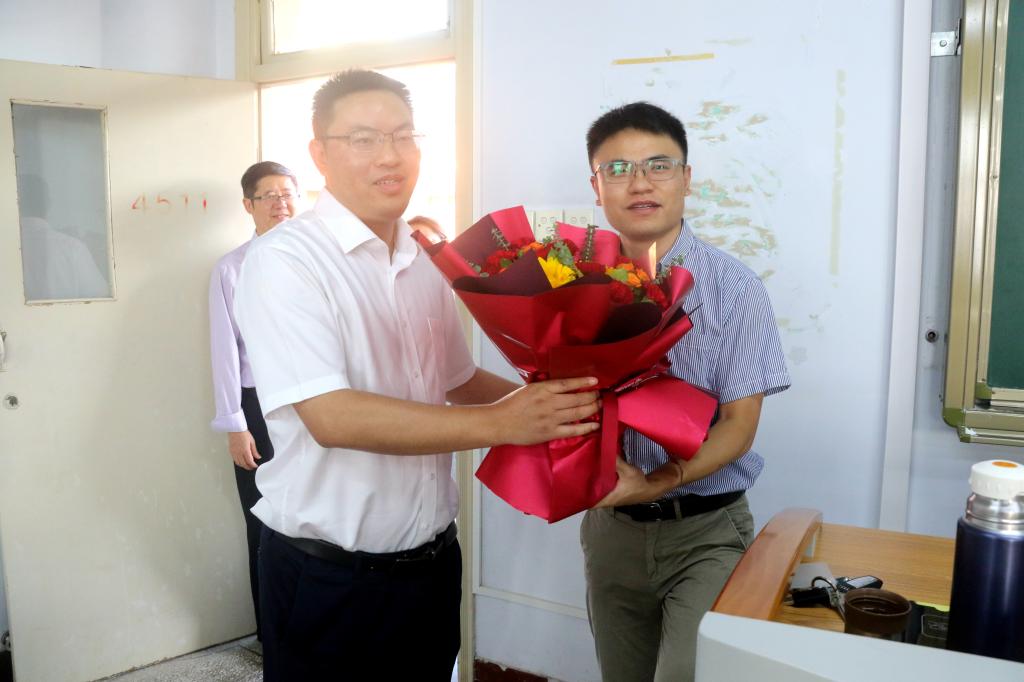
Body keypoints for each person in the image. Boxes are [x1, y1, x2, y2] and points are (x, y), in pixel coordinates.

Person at [233, 69, 601, 681]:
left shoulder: (427, 260)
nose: (390, 155)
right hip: (329, 577)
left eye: (404, 136)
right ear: (320, 154)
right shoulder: (285, 260)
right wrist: (506, 423)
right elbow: (332, 416)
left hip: (431, 566)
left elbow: (458, 379)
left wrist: (562, 406)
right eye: (364, 139)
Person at [581, 102, 791, 682]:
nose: (639, 183)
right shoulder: (574, 285)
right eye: (617, 169)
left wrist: (659, 480)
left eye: (659, 165)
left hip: (705, 531)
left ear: (686, 179)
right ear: (596, 187)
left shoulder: (733, 288)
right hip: (612, 532)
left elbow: (740, 425)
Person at [207, 160, 299, 645]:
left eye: (288, 193)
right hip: (257, 406)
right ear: (249, 205)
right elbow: (224, 352)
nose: (281, 203)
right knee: (262, 521)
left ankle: (312, 629)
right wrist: (235, 424)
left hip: (313, 403)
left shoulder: (314, 260)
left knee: (311, 517)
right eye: (269, 196)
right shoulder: (231, 268)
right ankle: (273, 635)